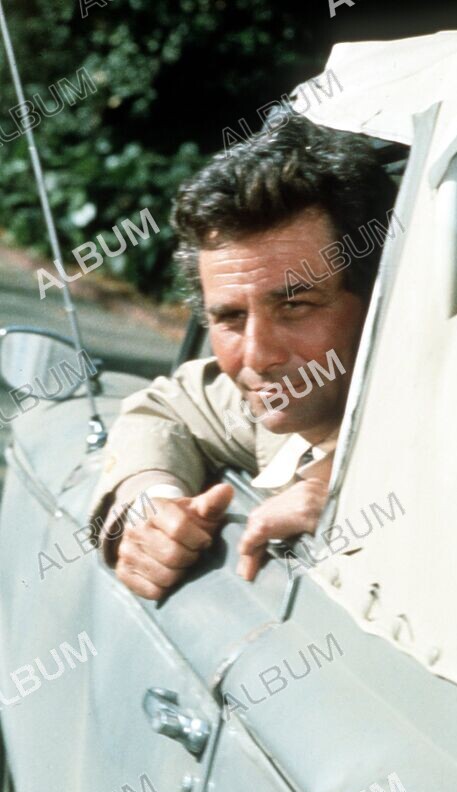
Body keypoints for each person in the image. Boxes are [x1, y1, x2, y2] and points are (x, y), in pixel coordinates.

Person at [90, 112, 397, 600]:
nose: (257, 356)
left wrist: (354, 506)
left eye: (295, 305)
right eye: (230, 317)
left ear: (380, 299)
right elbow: (166, 410)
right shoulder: (294, 394)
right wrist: (154, 507)